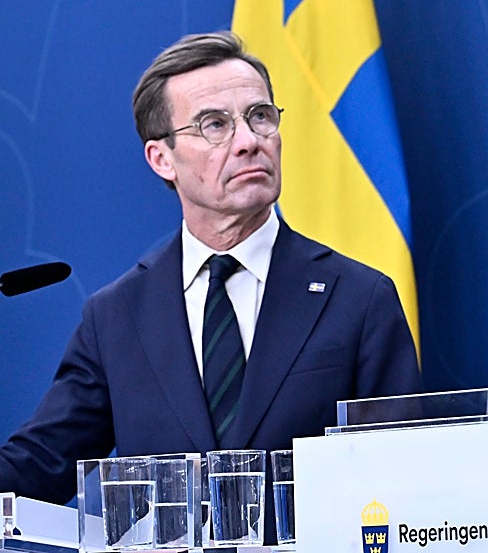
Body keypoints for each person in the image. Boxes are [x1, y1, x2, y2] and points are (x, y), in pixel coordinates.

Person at [0, 31, 420, 515]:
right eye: (214, 125)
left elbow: (398, 478)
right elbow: (37, 466)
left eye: (259, 117)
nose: (248, 142)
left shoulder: (358, 298)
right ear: (162, 159)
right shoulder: (117, 316)